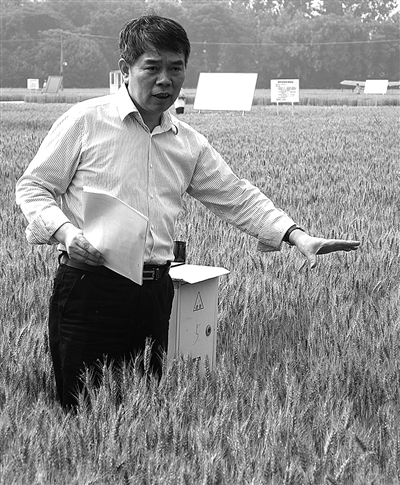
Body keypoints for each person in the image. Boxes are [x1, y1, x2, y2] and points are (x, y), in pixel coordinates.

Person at [16, 15, 360, 410]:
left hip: (154, 293)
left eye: (175, 68)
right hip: (90, 286)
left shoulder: (188, 142)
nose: (165, 80)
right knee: (82, 410)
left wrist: (297, 235)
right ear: (126, 69)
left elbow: (236, 195)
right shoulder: (85, 121)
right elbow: (33, 187)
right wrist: (65, 232)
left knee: (143, 414)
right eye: (152, 68)